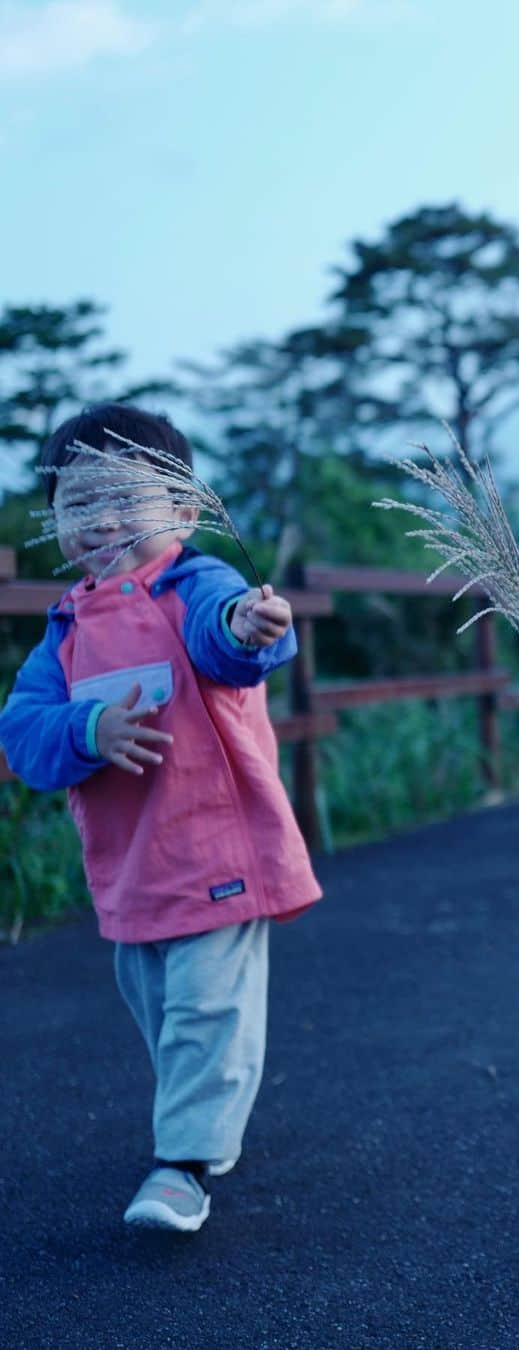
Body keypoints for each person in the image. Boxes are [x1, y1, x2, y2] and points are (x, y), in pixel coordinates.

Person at [0, 403, 322, 1233]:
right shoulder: (64, 632)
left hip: (219, 847)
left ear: (183, 510)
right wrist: (87, 729)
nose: (100, 520)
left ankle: (181, 1168)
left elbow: (227, 640)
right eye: (77, 503)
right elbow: (25, 735)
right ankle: (207, 1125)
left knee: (203, 1011)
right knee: (163, 1012)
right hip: (133, 864)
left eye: (125, 498)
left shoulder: (195, 585)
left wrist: (255, 627)